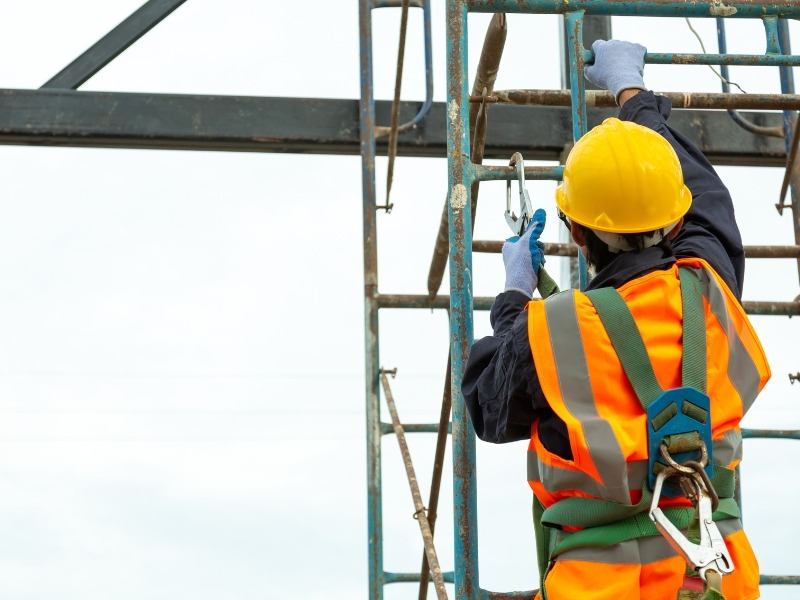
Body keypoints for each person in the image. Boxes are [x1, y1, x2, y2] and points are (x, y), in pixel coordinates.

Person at [462, 40, 771, 600]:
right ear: (677, 220)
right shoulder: (709, 287)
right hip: (715, 585)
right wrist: (633, 93)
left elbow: (490, 405)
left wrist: (514, 294)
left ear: (575, 233)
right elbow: (704, 194)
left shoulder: (552, 331)